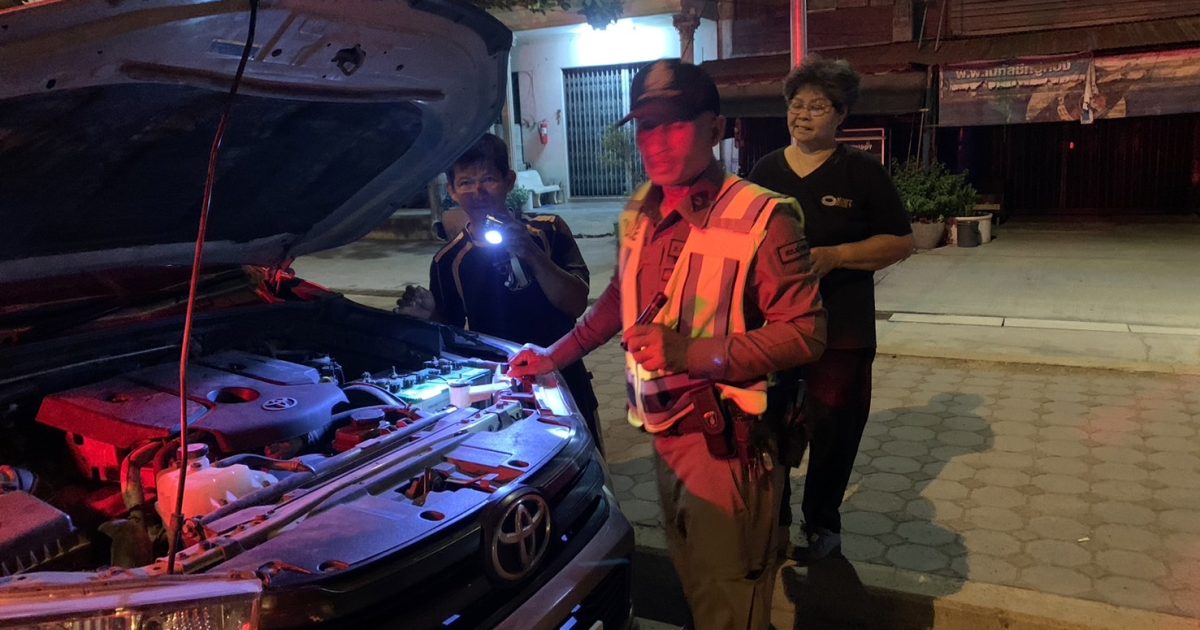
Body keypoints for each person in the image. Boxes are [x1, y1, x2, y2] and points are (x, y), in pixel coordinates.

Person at [509, 59, 826, 630]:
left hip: (730, 447)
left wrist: (689, 354)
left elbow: (806, 333)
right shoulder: (641, 208)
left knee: (732, 605)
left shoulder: (762, 215)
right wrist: (554, 356)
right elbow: (619, 298)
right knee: (700, 590)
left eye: (675, 124)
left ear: (715, 128)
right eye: (646, 126)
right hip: (666, 436)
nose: (656, 141)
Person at [747, 58, 915, 562]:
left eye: (816, 106)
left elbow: (901, 241)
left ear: (841, 114)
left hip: (842, 329)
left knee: (835, 429)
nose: (802, 115)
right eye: (795, 105)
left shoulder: (861, 172)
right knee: (767, 424)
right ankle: (772, 519)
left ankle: (821, 522)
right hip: (776, 327)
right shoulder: (765, 171)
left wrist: (837, 256)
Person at [395, 133, 602, 449]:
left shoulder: (549, 230)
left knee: (585, 461)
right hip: (501, 389)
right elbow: (454, 338)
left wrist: (531, 253)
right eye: (466, 183)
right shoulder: (448, 260)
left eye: (488, 179)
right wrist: (431, 315)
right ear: (452, 191)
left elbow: (575, 304)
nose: (478, 192)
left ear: (509, 181)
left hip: (564, 376)